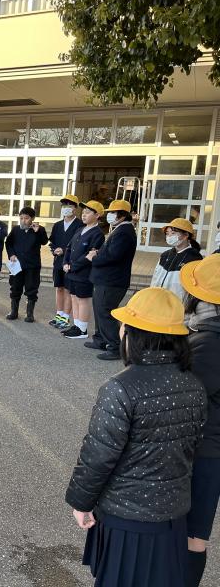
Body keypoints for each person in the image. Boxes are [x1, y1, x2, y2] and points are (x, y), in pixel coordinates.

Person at [65, 287, 206, 587]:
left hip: (126, 519)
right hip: (172, 516)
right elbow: (192, 446)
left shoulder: (120, 388)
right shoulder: (194, 385)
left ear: (134, 334)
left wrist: (81, 502)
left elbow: (98, 456)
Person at [181, 255, 220, 586]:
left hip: (204, 450)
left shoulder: (208, 342)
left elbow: (187, 398)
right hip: (211, 448)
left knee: (192, 534)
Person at [87, 199, 137, 360]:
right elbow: (110, 252)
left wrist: (94, 257)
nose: (110, 215)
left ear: (122, 215)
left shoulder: (124, 232)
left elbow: (114, 256)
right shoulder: (120, 229)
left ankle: (115, 347)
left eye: (113, 213)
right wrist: (98, 253)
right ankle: (101, 339)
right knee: (99, 309)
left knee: (105, 311)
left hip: (112, 281)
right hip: (106, 279)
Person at [62, 201, 105, 339]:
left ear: (97, 215)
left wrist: (73, 266)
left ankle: (82, 329)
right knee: (74, 297)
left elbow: (89, 255)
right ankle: (77, 325)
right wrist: (65, 262)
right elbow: (69, 247)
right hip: (72, 272)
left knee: (83, 299)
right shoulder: (80, 229)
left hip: (84, 273)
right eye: (83, 212)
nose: (84, 214)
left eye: (88, 212)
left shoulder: (98, 234)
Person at [5, 206, 49, 323]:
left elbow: (44, 241)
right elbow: (8, 243)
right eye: (21, 218)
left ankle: (29, 314)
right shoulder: (15, 229)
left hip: (32, 265)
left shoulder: (39, 229)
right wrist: (11, 254)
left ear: (32, 218)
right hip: (17, 265)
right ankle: (14, 311)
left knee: (32, 288)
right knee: (15, 287)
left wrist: (38, 231)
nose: (23, 221)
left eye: (26, 218)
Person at [48, 194, 84, 329]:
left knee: (68, 289)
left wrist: (64, 250)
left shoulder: (80, 225)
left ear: (75, 208)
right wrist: (54, 250)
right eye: (64, 205)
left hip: (70, 262)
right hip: (58, 261)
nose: (66, 208)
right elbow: (52, 242)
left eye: (69, 205)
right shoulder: (57, 225)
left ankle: (66, 317)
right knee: (59, 288)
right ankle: (59, 314)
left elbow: (79, 245)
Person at [150, 218, 202, 301]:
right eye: (167, 233)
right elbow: (155, 278)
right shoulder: (165, 255)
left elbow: (195, 287)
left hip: (178, 304)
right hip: (158, 301)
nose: (169, 236)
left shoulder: (194, 258)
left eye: (173, 233)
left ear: (186, 235)